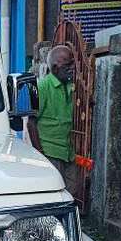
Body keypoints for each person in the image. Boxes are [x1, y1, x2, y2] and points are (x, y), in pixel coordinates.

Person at [28, 44, 79, 194]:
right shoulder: (42, 87)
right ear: (55, 68)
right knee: (53, 194)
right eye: (68, 65)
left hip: (68, 151)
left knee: (70, 193)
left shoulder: (71, 86)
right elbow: (31, 122)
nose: (72, 68)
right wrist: (40, 154)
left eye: (73, 63)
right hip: (50, 152)